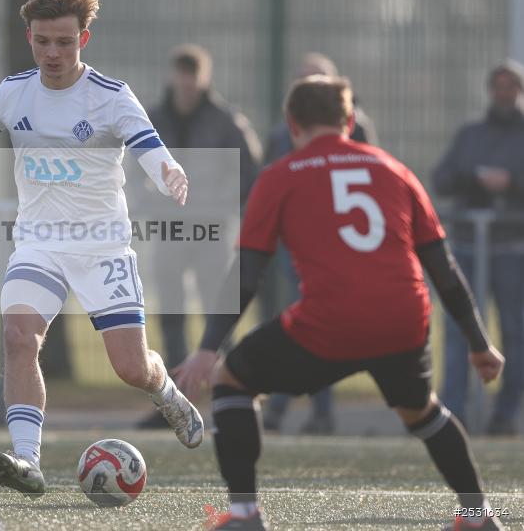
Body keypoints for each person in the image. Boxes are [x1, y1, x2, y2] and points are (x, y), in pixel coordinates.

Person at [0, 0, 204, 498]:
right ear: (29, 38)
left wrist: (168, 171)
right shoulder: (12, 94)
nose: (53, 53)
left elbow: (148, 144)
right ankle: (27, 460)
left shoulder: (110, 97)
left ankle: (167, 391)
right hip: (38, 245)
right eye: (43, 41)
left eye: (64, 41)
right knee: (19, 337)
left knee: (131, 367)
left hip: (103, 247)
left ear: (83, 39)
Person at [175, 75, 506, 530]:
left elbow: (248, 273)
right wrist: (479, 343)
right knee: (422, 411)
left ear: (292, 124)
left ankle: (245, 516)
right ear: (349, 121)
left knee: (232, 380)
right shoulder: (395, 169)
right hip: (404, 317)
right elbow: (444, 270)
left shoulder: (280, 176)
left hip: (330, 322)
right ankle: (478, 515)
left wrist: (210, 345)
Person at [134, 44, 260, 430]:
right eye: (181, 77)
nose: (186, 86)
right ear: (173, 77)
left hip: (211, 231)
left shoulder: (225, 120)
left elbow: (250, 171)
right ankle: (174, 402)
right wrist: (149, 201)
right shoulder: (153, 117)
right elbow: (132, 164)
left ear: (203, 80)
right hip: (170, 228)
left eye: (193, 78)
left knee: (218, 314)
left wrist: (217, 203)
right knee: (171, 314)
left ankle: (235, 398)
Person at [261, 52, 378, 435]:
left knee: (320, 326)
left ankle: (304, 409)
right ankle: (287, 407)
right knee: (294, 324)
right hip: (294, 247)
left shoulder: (357, 130)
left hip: (338, 247)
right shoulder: (282, 133)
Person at [433, 60, 524, 436]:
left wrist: (513, 183)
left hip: (511, 249)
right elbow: (442, 178)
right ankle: (454, 411)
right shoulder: (470, 134)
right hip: (469, 245)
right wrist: (474, 179)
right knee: (458, 328)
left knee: (514, 331)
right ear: (490, 90)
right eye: (498, 86)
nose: (504, 93)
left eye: (511, 87)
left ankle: (505, 413)